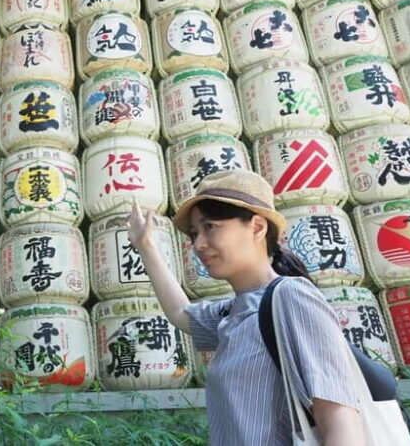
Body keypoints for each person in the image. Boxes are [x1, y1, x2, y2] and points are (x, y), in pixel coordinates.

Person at [126, 169, 364, 446]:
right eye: (194, 233)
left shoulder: (290, 298)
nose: (199, 244)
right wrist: (145, 245)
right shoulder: (235, 311)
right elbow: (181, 314)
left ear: (257, 228)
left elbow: (341, 422)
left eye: (210, 226)